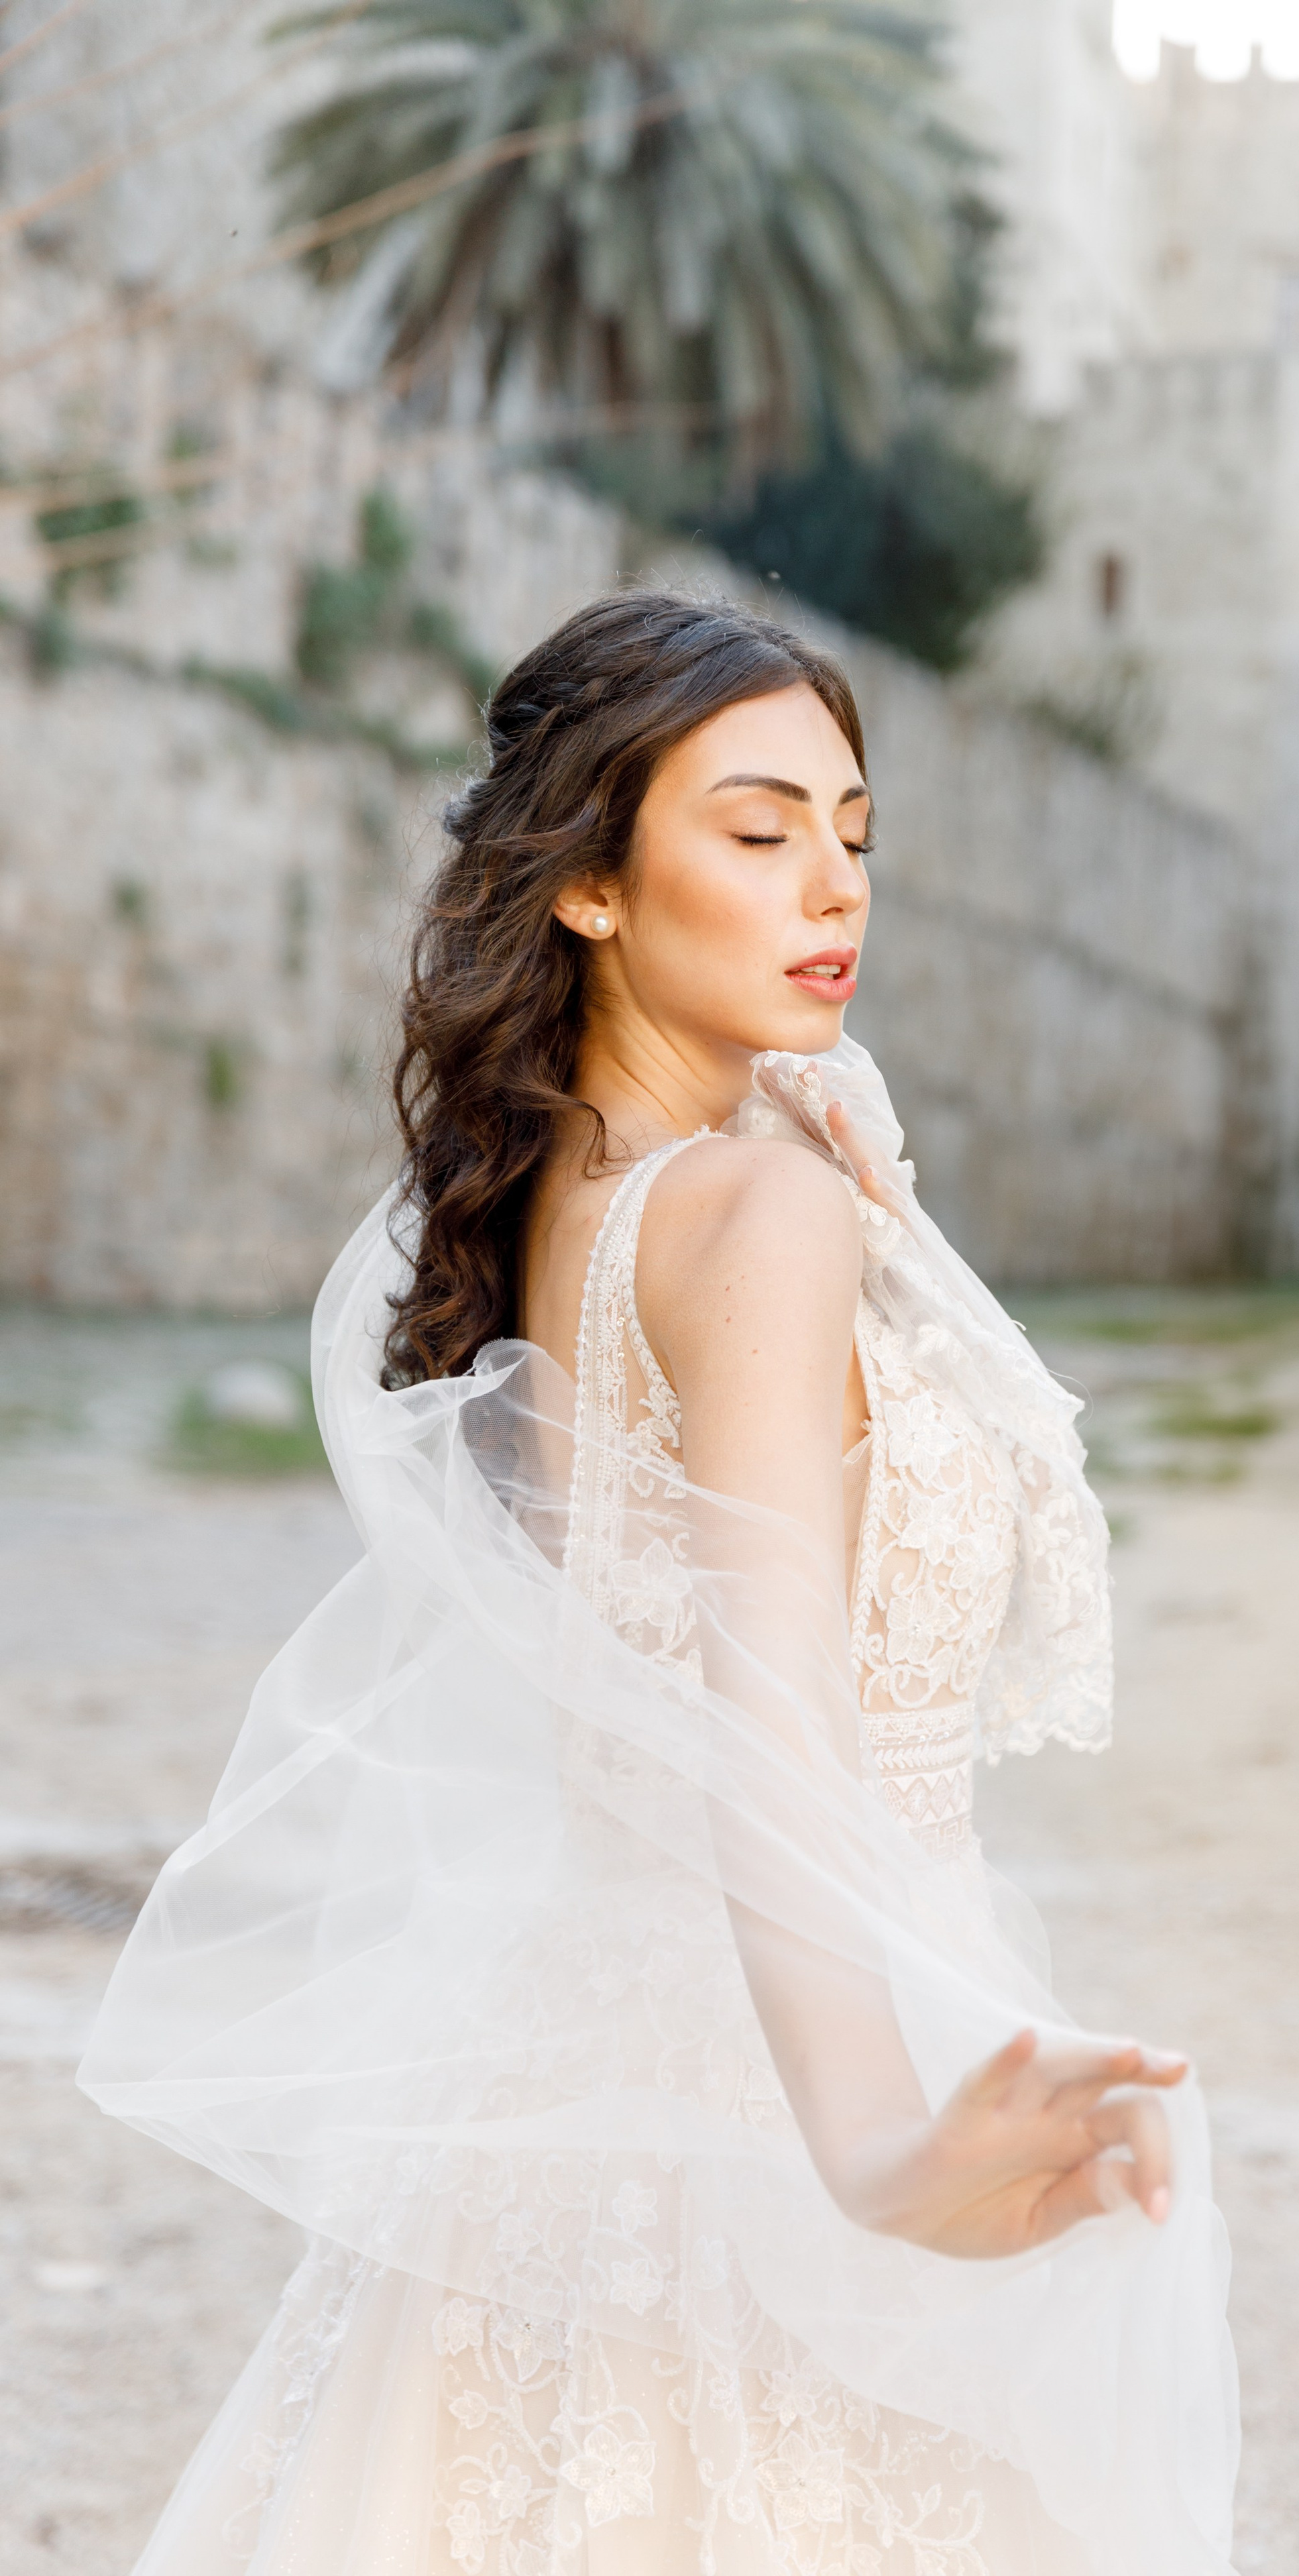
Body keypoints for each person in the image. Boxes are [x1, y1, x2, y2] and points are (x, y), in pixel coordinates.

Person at [81, 590, 1239, 2574]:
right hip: (776, 2077)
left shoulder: (581, 1202)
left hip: (594, 2076)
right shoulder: (755, 1213)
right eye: (760, 827)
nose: (835, 885)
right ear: (594, 886)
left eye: (857, 833)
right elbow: (760, 1715)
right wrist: (871, 2143)